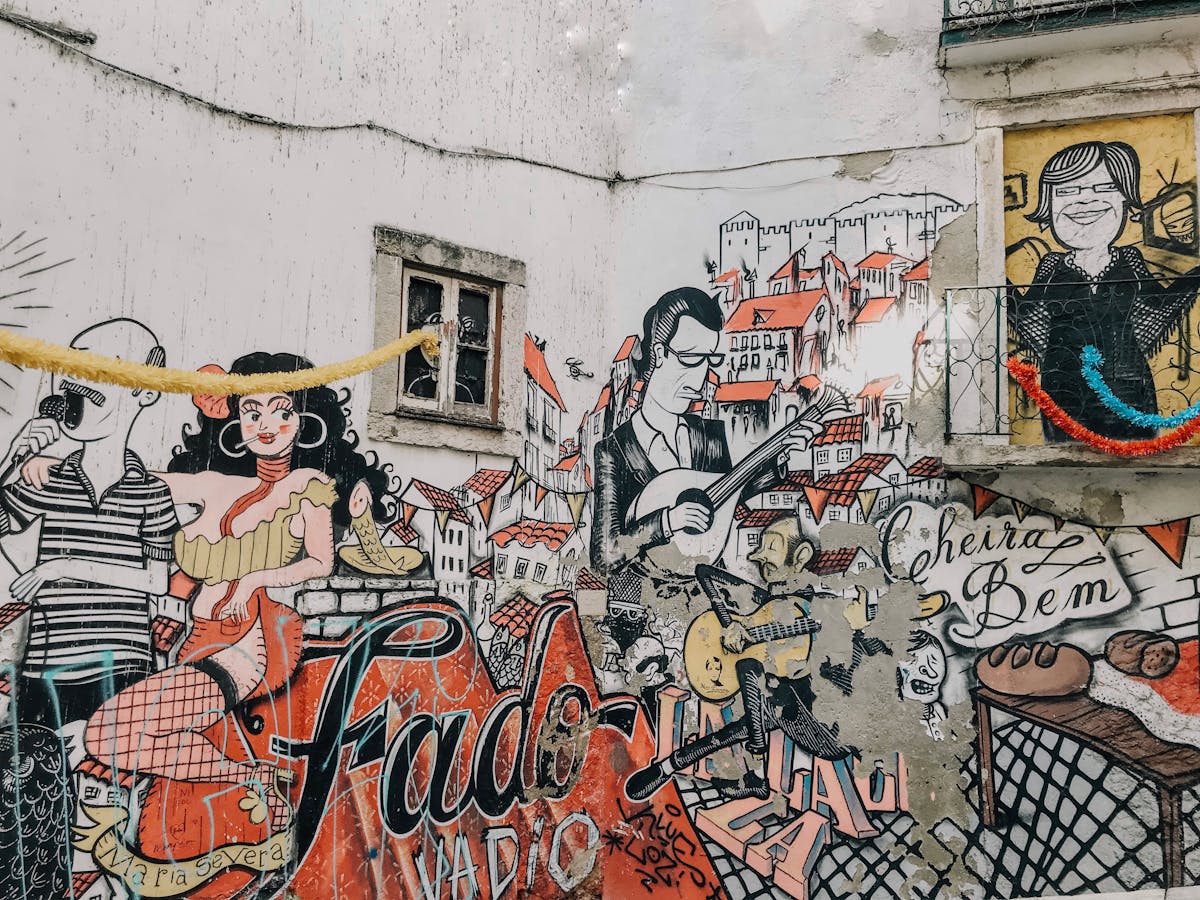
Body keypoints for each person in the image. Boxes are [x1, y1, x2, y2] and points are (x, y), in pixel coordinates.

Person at [26, 352, 397, 841]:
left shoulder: (308, 486)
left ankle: (253, 781)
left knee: (107, 733)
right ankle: (254, 780)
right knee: (116, 738)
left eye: (281, 410)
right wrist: (47, 459)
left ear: (304, 420)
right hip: (197, 638)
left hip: (250, 641)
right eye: (251, 412)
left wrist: (254, 580)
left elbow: (319, 561)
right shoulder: (214, 485)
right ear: (235, 423)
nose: (266, 425)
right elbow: (127, 474)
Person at [591, 287, 819, 644]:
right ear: (658, 353)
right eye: (690, 359)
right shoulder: (615, 450)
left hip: (710, 609)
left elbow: (724, 499)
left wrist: (777, 464)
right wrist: (667, 521)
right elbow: (604, 555)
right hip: (642, 617)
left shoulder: (709, 434)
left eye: (710, 361)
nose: (700, 381)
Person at [0, 319, 178, 730]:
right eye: (70, 368)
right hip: (45, 668)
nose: (75, 382)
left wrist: (63, 566)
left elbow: (156, 582)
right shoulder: (48, 477)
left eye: (97, 368)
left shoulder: (151, 492)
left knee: (110, 789)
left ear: (146, 388)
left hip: (122, 667)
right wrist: (11, 458)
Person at [625, 518, 867, 802]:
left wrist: (854, 626)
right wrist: (731, 625)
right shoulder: (770, 603)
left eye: (772, 547)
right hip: (784, 707)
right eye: (760, 546)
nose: (759, 556)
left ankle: (756, 776)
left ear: (800, 556)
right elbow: (705, 573)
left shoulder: (825, 608)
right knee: (737, 727)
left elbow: (844, 678)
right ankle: (666, 767)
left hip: (823, 727)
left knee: (749, 670)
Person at [1009, 140, 1200, 442]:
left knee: (1137, 453)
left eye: (1103, 188)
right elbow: (1027, 315)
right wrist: (999, 282)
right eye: (1067, 191)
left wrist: (1194, 276)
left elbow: (1158, 304)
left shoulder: (1130, 259)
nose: (1085, 201)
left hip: (1130, 386)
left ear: (1126, 200)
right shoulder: (1050, 265)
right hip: (1063, 388)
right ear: (1049, 204)